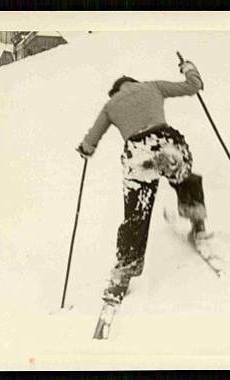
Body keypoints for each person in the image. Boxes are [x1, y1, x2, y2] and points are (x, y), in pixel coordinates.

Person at [77, 60, 208, 306]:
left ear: (116, 91)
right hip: (167, 144)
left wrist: (85, 148)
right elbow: (193, 87)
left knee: (136, 215)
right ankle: (198, 226)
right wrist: (188, 68)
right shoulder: (153, 87)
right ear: (133, 84)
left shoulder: (111, 105)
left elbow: (91, 141)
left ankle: (122, 275)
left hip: (138, 154)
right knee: (184, 180)